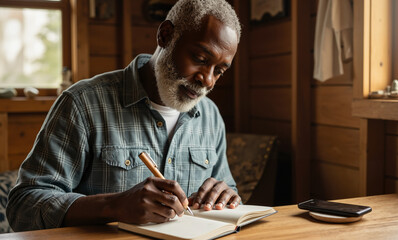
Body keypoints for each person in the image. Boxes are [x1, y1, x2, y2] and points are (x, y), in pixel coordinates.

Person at [7, 0, 241, 231]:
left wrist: (226, 196)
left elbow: (227, 191)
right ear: (165, 35)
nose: (207, 80)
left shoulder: (210, 116)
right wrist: (114, 206)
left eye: (219, 71)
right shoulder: (83, 104)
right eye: (200, 59)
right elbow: (23, 206)